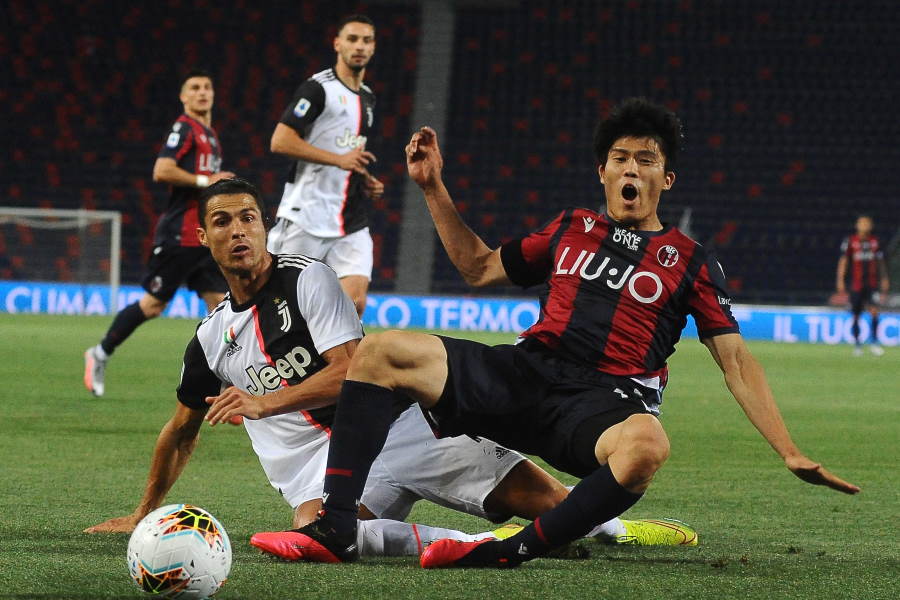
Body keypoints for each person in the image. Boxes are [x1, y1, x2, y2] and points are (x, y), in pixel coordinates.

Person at [278, 98, 860, 568]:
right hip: (525, 374)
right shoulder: (571, 227)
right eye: (620, 157)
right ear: (602, 171)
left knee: (647, 447)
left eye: (647, 159)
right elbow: (479, 267)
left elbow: (735, 361)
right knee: (379, 351)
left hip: (600, 404)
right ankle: (337, 525)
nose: (632, 168)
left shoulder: (691, 261)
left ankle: (513, 552)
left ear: (667, 176)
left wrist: (788, 450)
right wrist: (432, 187)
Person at [84, 178, 694, 559]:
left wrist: (265, 402)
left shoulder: (306, 281)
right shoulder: (211, 341)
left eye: (248, 217)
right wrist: (143, 512)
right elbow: (180, 432)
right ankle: (477, 547)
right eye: (223, 221)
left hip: (407, 430)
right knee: (327, 533)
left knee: (552, 505)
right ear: (203, 236)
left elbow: (352, 370)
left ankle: (617, 532)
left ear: (264, 224)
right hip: (311, 471)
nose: (238, 230)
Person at [84, 69, 236, 397]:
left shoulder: (210, 134)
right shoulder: (185, 128)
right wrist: (203, 181)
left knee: (223, 307)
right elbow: (162, 169)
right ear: (183, 97)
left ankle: (224, 385)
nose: (202, 92)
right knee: (153, 305)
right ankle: (100, 352)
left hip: (204, 235)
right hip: (180, 236)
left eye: (207, 86)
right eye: (194, 87)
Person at [268, 14, 384, 317]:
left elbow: (349, 151)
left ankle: (330, 363)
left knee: (353, 304)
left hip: (350, 218)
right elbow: (280, 140)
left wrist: (365, 178)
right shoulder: (317, 89)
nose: (359, 46)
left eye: (366, 40)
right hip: (307, 214)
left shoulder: (368, 98)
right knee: (278, 305)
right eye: (352, 39)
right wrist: (339, 160)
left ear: (373, 47)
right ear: (337, 44)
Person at [836, 215, 890, 356]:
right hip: (856, 285)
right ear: (857, 225)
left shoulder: (875, 242)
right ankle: (858, 344)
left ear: (871, 226)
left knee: (874, 312)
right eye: (861, 223)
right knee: (856, 315)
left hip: (872, 284)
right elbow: (844, 261)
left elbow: (881, 263)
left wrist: (884, 279)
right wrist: (840, 279)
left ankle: (874, 343)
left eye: (867, 223)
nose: (864, 225)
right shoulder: (850, 242)